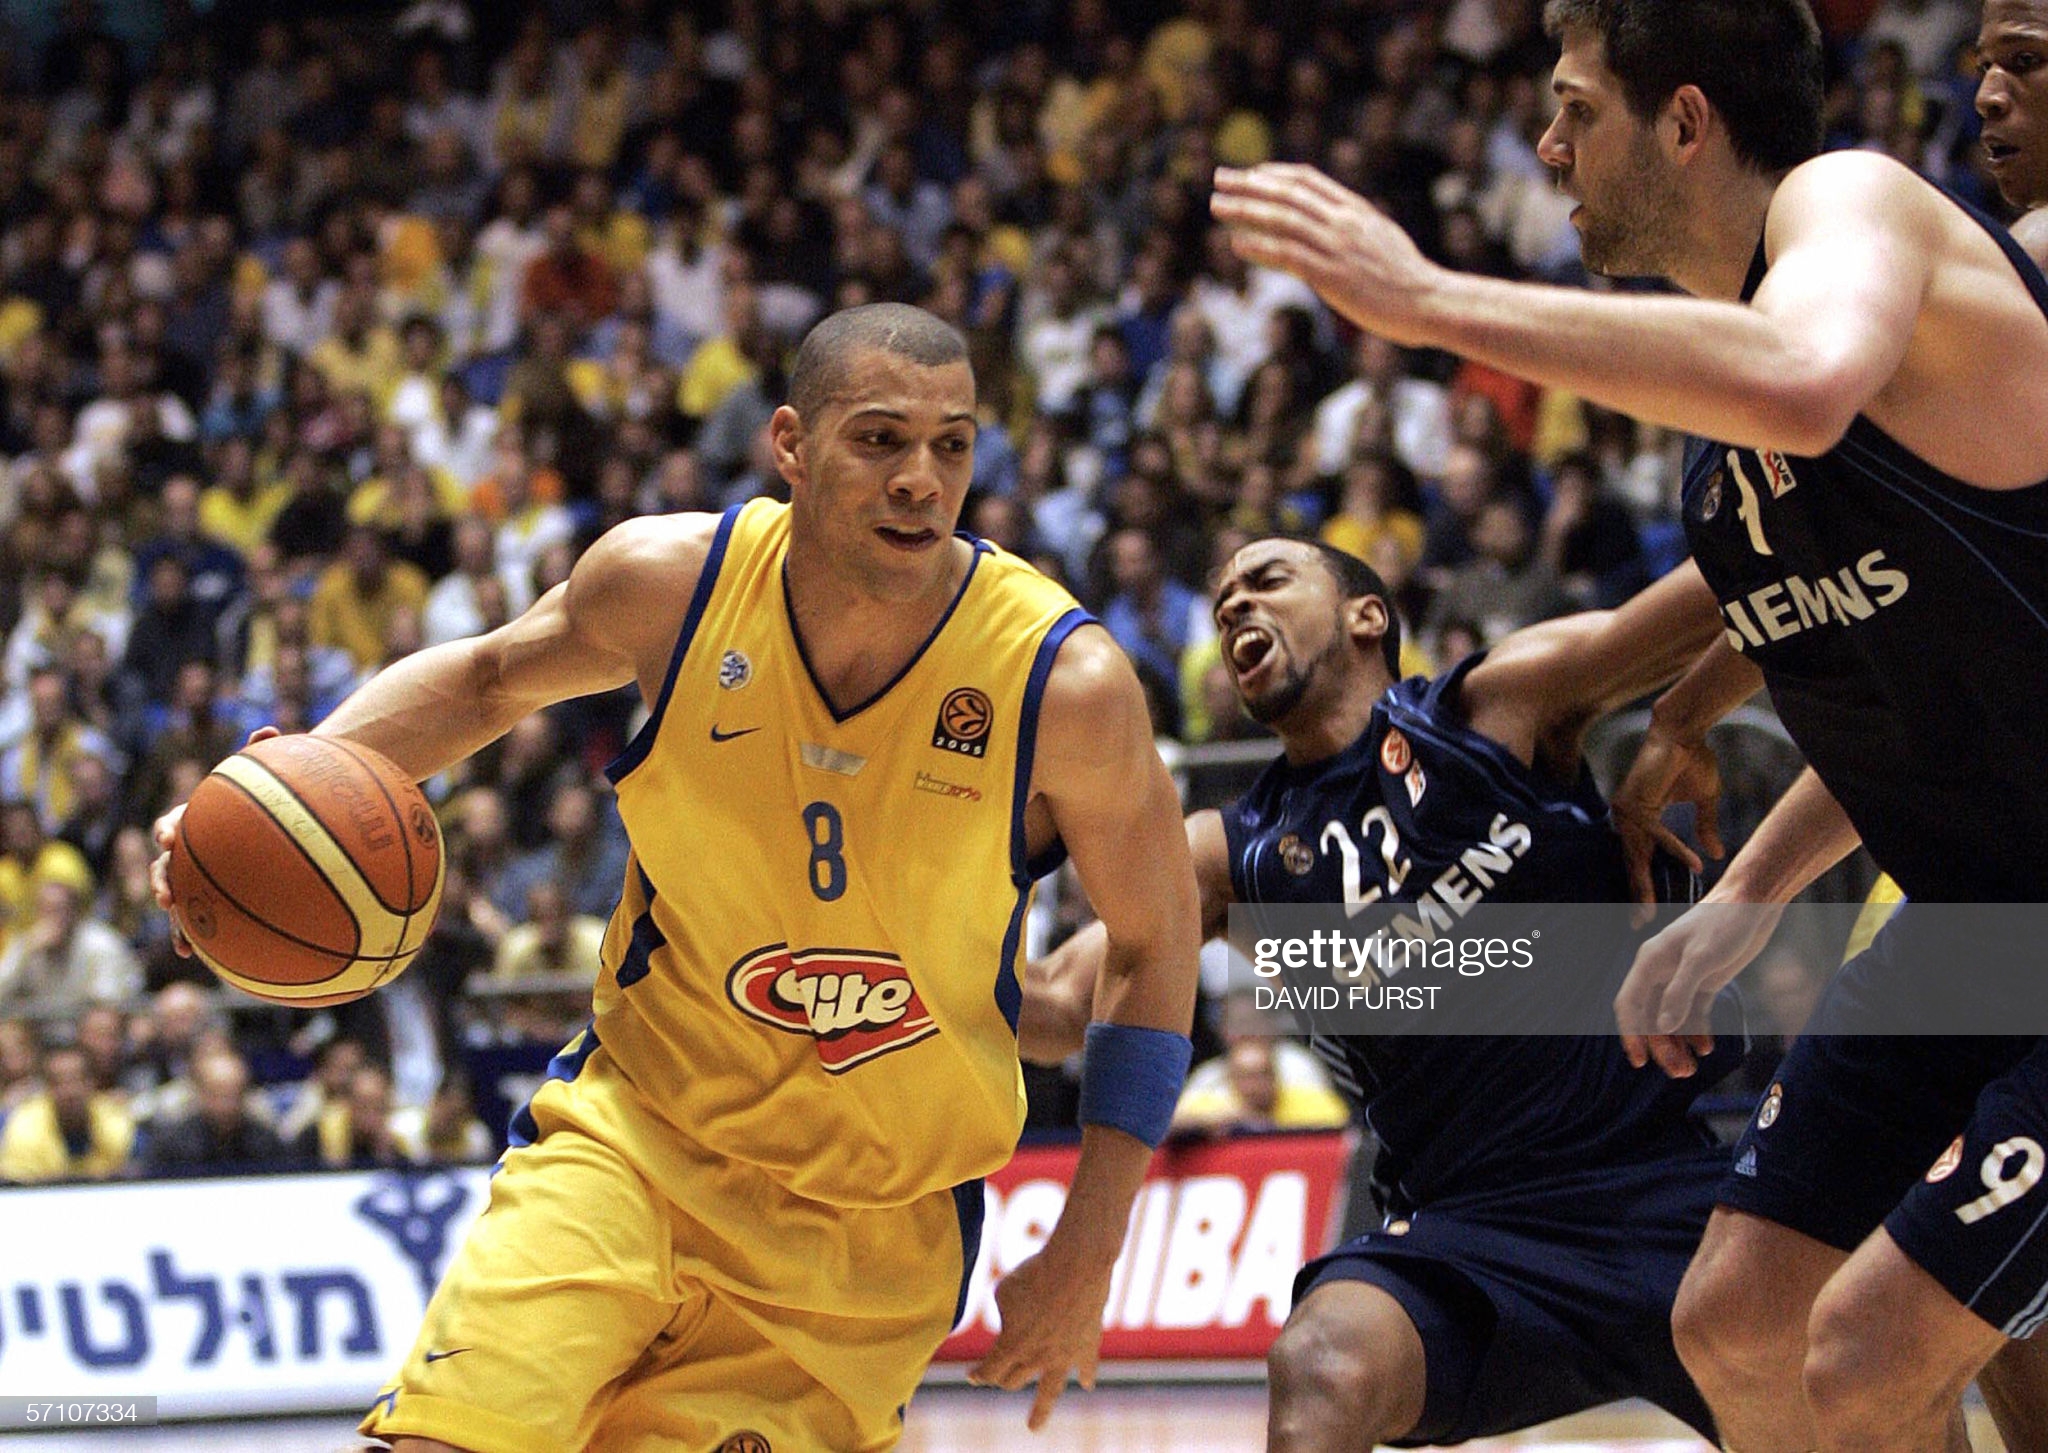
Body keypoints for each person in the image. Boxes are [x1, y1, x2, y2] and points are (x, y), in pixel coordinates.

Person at [1211, 2, 2048, 1447]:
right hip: (1984, 928)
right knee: (1737, 1318)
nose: (1548, 147)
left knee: (1866, 1343)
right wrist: (1738, 902)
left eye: (1575, 109)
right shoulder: (1719, 468)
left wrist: (1424, 300)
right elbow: (1917, 716)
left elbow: (1802, 381)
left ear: (1685, 120)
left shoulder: (1849, 206)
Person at [152, 303, 1200, 1452]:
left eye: (949, 446)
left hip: (865, 1235)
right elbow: (486, 679)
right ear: (790, 444)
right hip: (635, 1139)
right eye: (881, 439)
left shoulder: (1064, 682)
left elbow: (1154, 943)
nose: (919, 479)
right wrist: (275, 795)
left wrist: (1090, 1248)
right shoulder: (671, 583)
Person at [1024, 535, 1738, 1449]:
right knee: (1320, 1364)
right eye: (1223, 601)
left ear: (1368, 615)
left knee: (1867, 1390)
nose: (1238, 604)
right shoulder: (1230, 853)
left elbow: (1731, 590)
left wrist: (1684, 715)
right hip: (1463, 1232)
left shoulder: (1495, 707)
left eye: (1269, 581)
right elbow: (1049, 1006)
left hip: (1661, 1183)